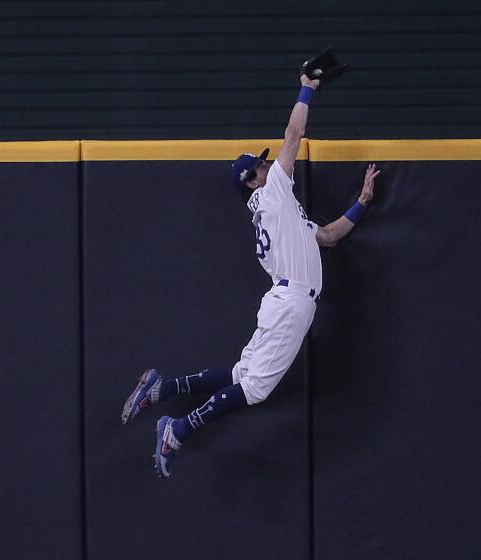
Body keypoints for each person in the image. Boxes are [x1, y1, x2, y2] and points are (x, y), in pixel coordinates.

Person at [121, 73, 381, 479]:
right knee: (255, 388)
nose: (266, 164)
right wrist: (307, 88)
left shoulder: (279, 213)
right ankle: (177, 430)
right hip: (291, 303)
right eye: (260, 165)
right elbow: (294, 133)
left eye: (263, 162)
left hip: (286, 300)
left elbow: (328, 236)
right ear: (253, 180)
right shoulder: (272, 192)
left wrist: (361, 203)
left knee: (242, 376)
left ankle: (163, 387)